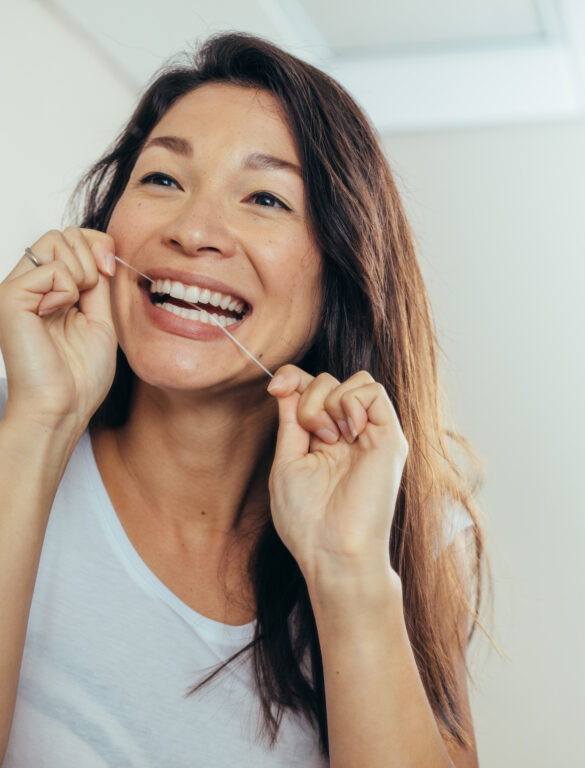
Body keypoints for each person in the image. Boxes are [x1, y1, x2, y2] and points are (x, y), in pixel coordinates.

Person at [0, 32, 489, 767]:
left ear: (341, 270)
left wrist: (348, 572)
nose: (193, 231)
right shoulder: (15, 425)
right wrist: (39, 427)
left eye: (264, 197)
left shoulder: (407, 530)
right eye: (163, 179)